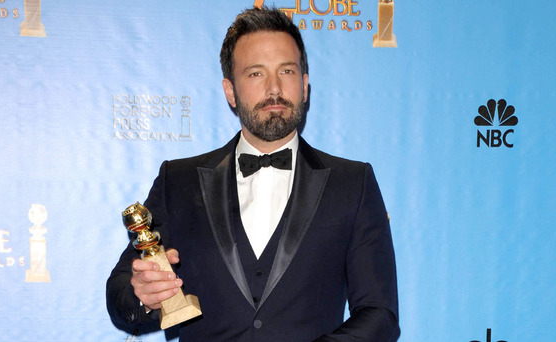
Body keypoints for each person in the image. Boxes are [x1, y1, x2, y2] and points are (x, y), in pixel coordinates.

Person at [107, 6, 400, 341]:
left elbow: (380, 314)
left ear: (304, 86)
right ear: (230, 91)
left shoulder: (353, 183)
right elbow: (120, 294)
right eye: (256, 74)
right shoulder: (179, 180)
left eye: (287, 71)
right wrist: (143, 296)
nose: (274, 88)